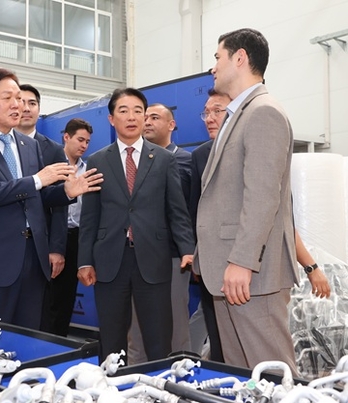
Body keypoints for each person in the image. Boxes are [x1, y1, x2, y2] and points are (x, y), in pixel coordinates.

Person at [0, 68, 103, 329]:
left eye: (19, 98)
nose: (17, 105)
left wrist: (66, 192)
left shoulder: (29, 145)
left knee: (29, 336)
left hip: (34, 260)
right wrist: (37, 180)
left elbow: (37, 197)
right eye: (7, 97)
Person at [193, 28, 299, 372]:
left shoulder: (263, 112)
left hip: (250, 273)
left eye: (218, 57)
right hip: (228, 271)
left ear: (239, 58)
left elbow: (262, 197)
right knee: (243, 376)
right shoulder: (237, 115)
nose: (213, 67)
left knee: (272, 374)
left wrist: (242, 261)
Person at [77, 88, 194, 363]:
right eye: (123, 111)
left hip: (153, 258)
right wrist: (85, 261)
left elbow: (177, 210)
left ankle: (157, 382)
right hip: (109, 260)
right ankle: (112, 383)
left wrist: (187, 248)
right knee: (112, 339)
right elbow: (90, 216)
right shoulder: (97, 160)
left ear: (144, 117)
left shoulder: (164, 159)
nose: (131, 117)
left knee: (158, 337)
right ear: (111, 119)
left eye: (138, 111)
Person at [126, 103, 193, 362]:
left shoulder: (187, 160)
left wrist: (190, 249)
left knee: (176, 324)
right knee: (136, 328)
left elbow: (188, 209)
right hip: (138, 254)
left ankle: (178, 375)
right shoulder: (132, 160)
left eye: (154, 117)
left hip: (174, 256)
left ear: (171, 124)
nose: (147, 122)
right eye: (145, 117)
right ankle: (136, 375)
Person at [189, 88, 231, 362]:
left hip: (245, 262)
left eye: (217, 111)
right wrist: (198, 256)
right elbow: (196, 210)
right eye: (206, 113)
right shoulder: (200, 155)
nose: (210, 118)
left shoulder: (250, 146)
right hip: (209, 262)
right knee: (216, 337)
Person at [43, 118, 93, 336]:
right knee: (49, 298)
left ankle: (61, 341)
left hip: (77, 238)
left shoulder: (88, 170)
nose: (84, 145)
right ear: (66, 137)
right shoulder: (52, 168)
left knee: (67, 297)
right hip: (53, 237)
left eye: (87, 142)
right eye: (80, 140)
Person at [17, 84, 68, 283]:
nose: (26, 108)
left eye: (32, 103)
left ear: (39, 109)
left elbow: (60, 204)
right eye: (21, 102)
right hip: (4, 241)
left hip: (40, 242)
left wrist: (56, 248)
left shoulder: (54, 150)